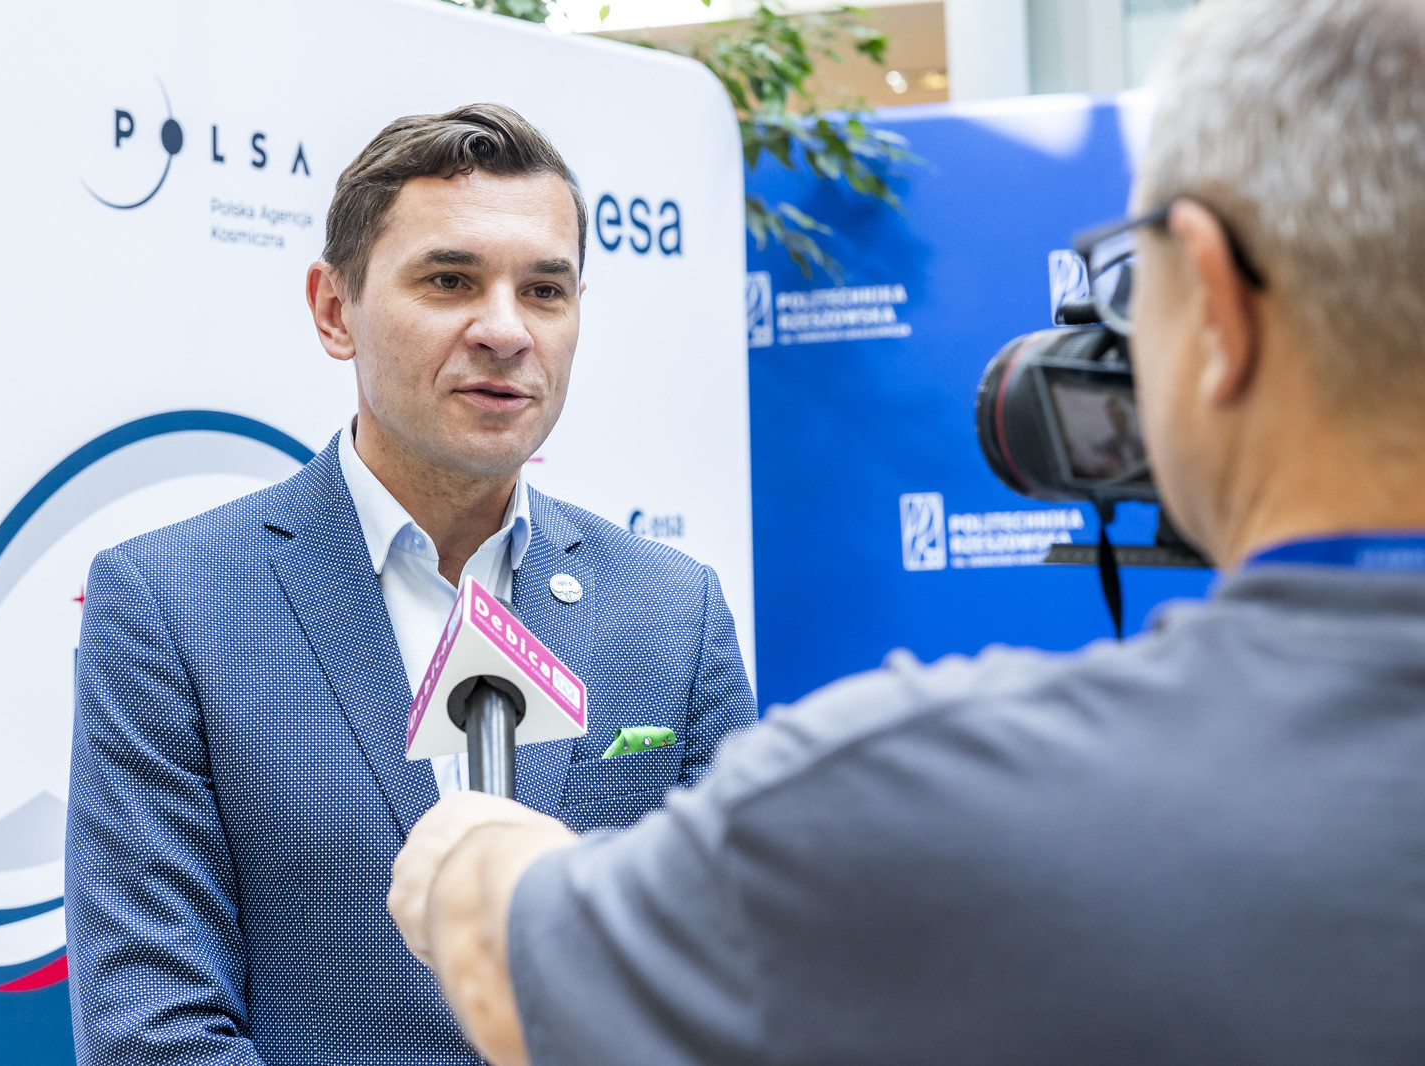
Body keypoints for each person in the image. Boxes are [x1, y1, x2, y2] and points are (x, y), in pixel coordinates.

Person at [388, 3, 1425, 1063]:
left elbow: (510, 954)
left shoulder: (916, 789)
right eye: (449, 280)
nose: (504, 330)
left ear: (1213, 304)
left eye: (1131, 276)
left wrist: (475, 850)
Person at [65, 103, 757, 1066]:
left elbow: (741, 976)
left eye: (545, 290)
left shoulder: (673, 611)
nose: (506, 330)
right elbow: (153, 1030)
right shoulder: (170, 603)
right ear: (334, 309)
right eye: (449, 280)